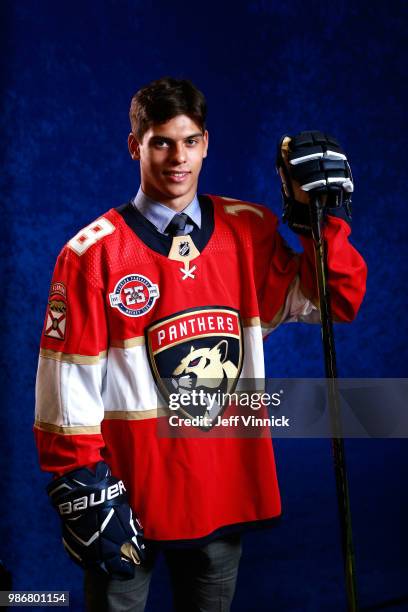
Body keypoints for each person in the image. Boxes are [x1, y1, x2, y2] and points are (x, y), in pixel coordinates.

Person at [35, 77, 367, 611]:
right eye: (161, 141)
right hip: (129, 499)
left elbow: (335, 301)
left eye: (189, 142)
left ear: (207, 143)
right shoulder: (92, 255)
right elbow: (65, 388)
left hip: (221, 490)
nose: (177, 158)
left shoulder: (249, 229)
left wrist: (317, 221)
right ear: (134, 145)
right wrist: (80, 482)